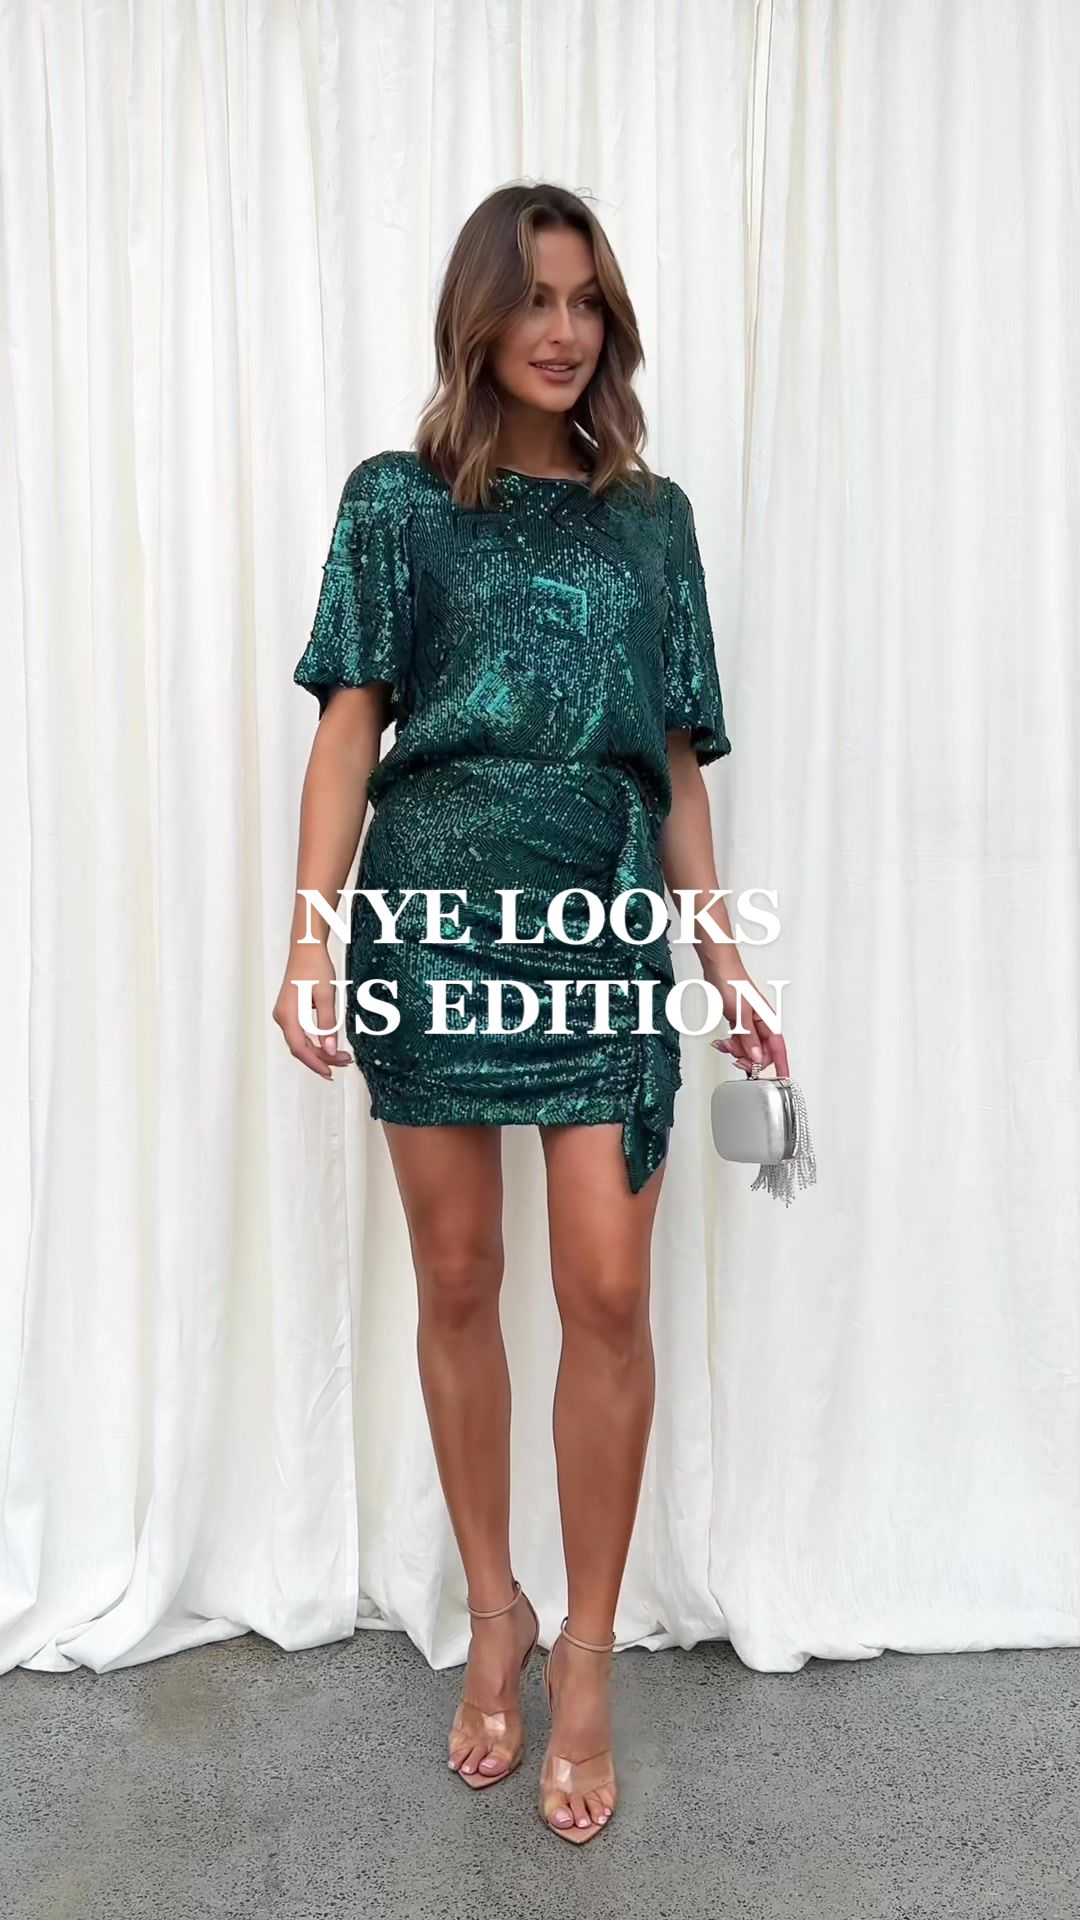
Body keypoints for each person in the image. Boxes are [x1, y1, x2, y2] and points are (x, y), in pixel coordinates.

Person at [274, 181, 788, 1846]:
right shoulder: (395, 503)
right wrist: (311, 939)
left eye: (587, 303)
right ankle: (492, 1614)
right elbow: (349, 731)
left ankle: (585, 1657)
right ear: (479, 319)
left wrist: (727, 966)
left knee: (609, 1292)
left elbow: (679, 768)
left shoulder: (654, 521)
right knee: (457, 1277)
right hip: (429, 921)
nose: (563, 331)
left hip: (602, 921)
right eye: (536, 300)